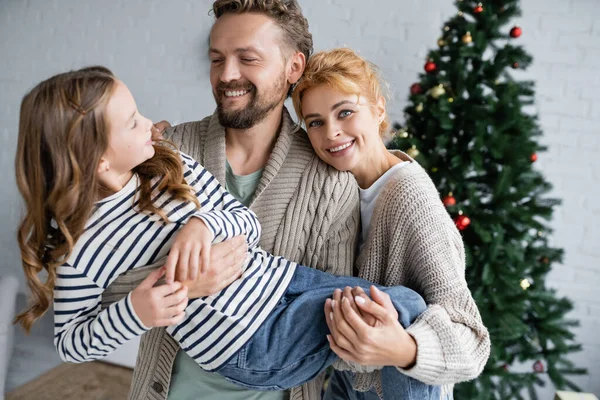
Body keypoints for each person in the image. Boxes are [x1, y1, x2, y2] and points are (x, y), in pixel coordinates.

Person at [14, 69, 441, 398]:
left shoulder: (168, 164)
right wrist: (136, 312)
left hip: (285, 282)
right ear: (99, 162)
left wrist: (201, 225)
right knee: (405, 308)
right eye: (131, 123)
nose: (150, 124)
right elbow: (70, 343)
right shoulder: (81, 249)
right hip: (252, 342)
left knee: (407, 313)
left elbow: (244, 222)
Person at [118, 1, 361, 399]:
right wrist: (184, 285)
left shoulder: (329, 183)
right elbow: (104, 283)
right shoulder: (168, 151)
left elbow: (333, 329)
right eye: (217, 59)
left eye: (247, 58)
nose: (227, 75)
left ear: (293, 68)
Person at [291, 48, 491, 399]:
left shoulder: (409, 196)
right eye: (316, 122)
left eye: (345, 113)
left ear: (379, 109)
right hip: (349, 377)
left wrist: (403, 349)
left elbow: (471, 338)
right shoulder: (337, 186)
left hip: (401, 381)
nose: (332, 133)